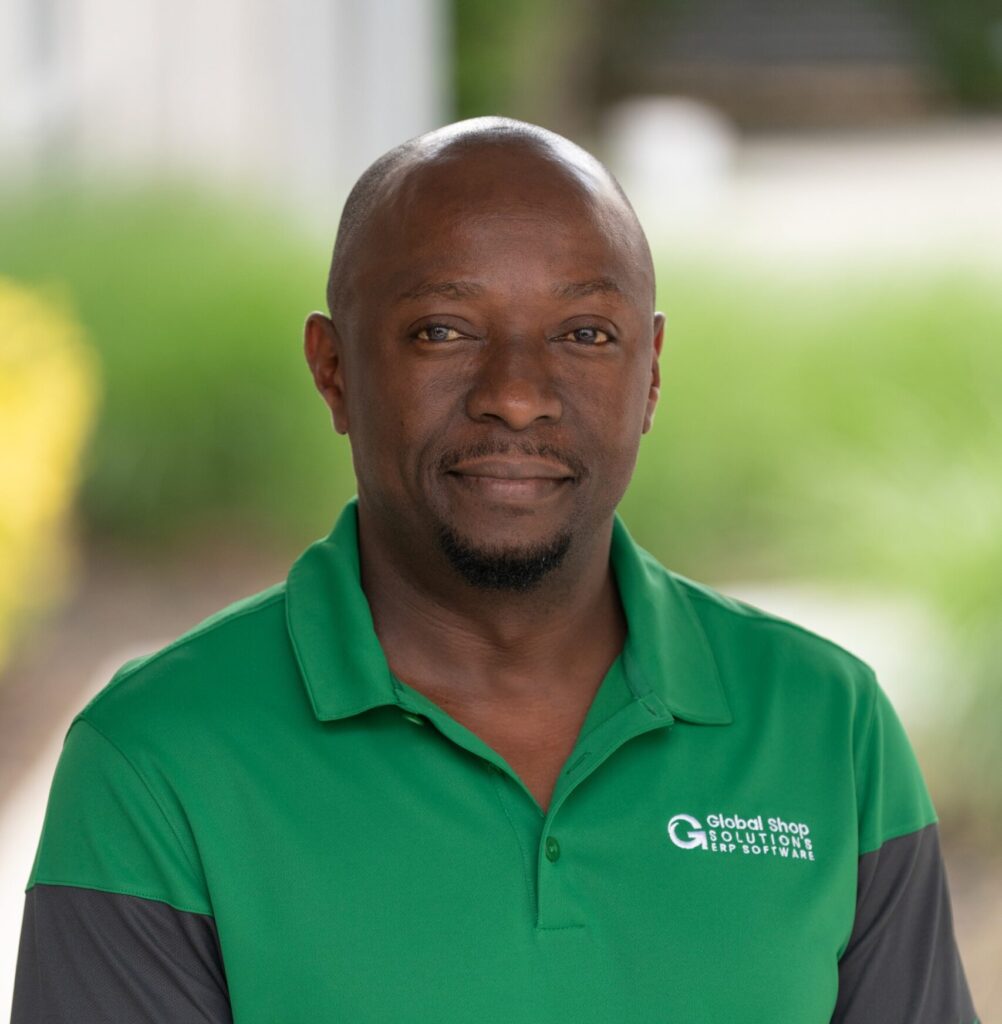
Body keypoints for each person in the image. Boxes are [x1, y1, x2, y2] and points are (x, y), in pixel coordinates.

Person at [11, 117, 977, 1023]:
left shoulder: (828, 727)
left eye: (585, 333)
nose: (516, 395)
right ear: (333, 368)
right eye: (444, 329)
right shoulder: (157, 759)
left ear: (650, 373)